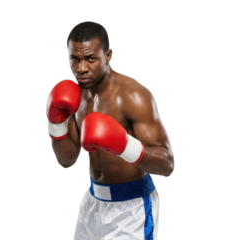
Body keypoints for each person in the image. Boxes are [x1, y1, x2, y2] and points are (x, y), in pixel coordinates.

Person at [44, 21, 176, 240]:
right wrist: (55, 123)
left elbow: (168, 165)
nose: (81, 68)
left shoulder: (132, 96)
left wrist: (124, 146)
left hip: (131, 209)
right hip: (92, 202)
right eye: (74, 59)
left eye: (90, 58)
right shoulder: (75, 95)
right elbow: (66, 161)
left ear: (108, 56)